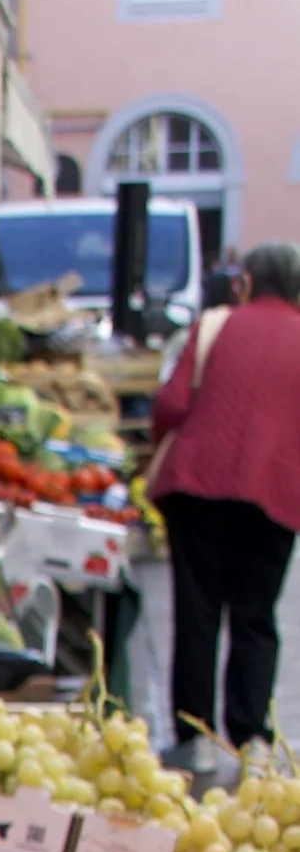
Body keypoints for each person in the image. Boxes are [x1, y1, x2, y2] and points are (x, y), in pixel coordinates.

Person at [149, 240, 300, 773]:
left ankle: (195, 736)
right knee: (256, 615)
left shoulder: (215, 326)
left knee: (198, 611)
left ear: (248, 283)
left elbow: (170, 405)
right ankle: (251, 735)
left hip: (198, 483)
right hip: (277, 492)